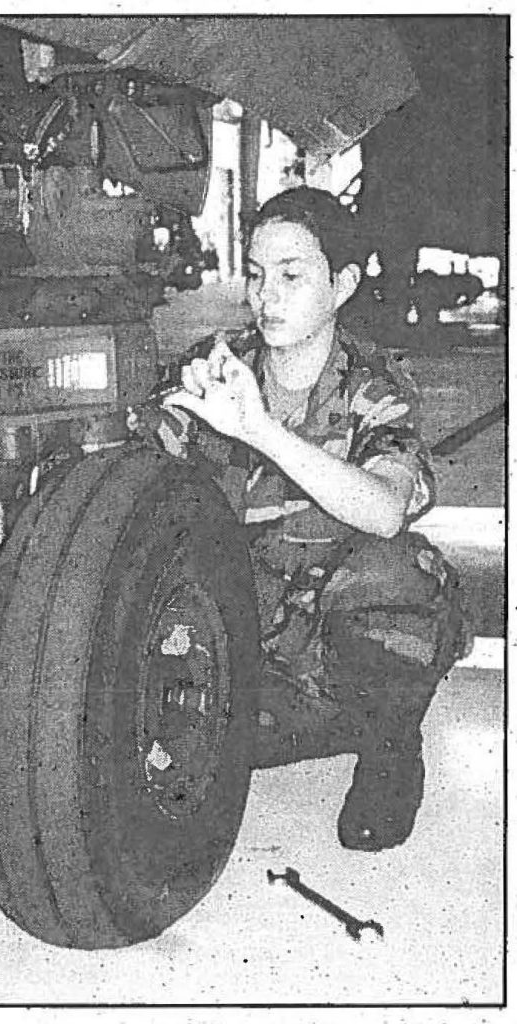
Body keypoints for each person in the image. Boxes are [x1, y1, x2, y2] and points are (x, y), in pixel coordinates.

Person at [162, 187, 470, 852]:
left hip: (329, 654)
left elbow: (387, 508)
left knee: (404, 581)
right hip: (233, 646)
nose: (266, 296)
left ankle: (389, 751)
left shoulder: (374, 386)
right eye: (256, 274)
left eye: (293, 275)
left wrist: (260, 430)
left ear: (343, 284)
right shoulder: (217, 369)